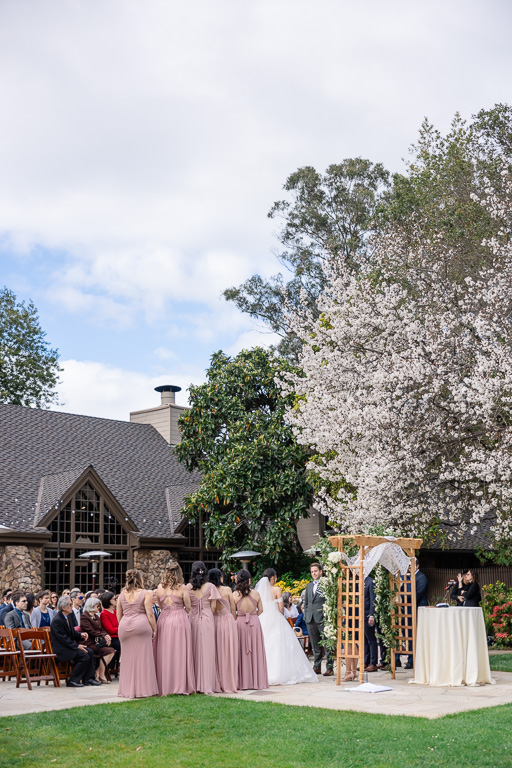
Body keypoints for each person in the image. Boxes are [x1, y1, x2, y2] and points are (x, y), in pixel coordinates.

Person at [255, 573, 317, 686]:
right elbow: (281, 607)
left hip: (264, 619)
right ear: (273, 577)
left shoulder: (260, 591)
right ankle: (281, 672)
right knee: (279, 644)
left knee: (266, 644)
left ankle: (263, 672)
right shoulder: (277, 589)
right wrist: (281, 615)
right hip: (275, 618)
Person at [154, 560, 195, 695]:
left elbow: (159, 604)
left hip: (164, 619)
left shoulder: (160, 587)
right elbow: (188, 606)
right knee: (180, 652)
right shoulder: (182, 588)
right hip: (179, 619)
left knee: (164, 652)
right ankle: (179, 684)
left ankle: (165, 685)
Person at [117, 569, 159, 699]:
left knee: (127, 659)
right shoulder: (146, 593)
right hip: (141, 625)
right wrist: (155, 628)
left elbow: (119, 614)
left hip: (124, 625)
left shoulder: (121, 595)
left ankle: (127, 690)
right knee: (143, 659)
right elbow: (150, 613)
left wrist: (123, 624)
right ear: (140, 579)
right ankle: (144, 689)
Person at [50, 596, 100, 687]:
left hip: (68, 646)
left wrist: (80, 635)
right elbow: (63, 639)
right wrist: (77, 646)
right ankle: (73, 680)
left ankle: (88, 679)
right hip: (61, 649)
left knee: (90, 652)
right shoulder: (57, 620)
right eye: (69, 605)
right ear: (63, 607)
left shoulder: (67, 617)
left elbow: (71, 633)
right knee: (84, 655)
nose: (71, 606)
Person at [187, 561, 220, 695]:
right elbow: (213, 607)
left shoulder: (188, 587)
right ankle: (207, 684)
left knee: (194, 649)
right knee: (207, 650)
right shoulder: (211, 586)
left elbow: (187, 605)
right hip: (207, 618)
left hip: (193, 618)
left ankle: (194, 683)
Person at [233, 569, 268, 690]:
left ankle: (243, 682)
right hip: (254, 622)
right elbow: (261, 610)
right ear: (249, 579)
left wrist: (242, 617)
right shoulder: (256, 593)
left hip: (240, 623)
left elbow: (233, 613)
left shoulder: (235, 594)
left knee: (241, 652)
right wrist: (252, 616)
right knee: (256, 651)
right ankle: (257, 681)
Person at [208, 568, 238, 694]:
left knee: (216, 652)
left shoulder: (208, 590)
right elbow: (232, 607)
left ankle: (217, 681)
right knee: (228, 651)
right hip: (227, 621)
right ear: (220, 577)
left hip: (214, 620)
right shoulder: (227, 589)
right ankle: (230, 681)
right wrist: (234, 621)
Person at [396, 561, 428, 669]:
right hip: (407, 609)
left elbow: (417, 594)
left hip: (418, 609)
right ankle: (407, 658)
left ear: (417, 566)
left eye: (412, 565)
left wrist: (403, 596)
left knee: (414, 634)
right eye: (408, 565)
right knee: (408, 634)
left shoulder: (421, 577)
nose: (409, 567)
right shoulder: (407, 577)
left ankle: (413, 659)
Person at [303, 563, 333, 676]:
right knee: (315, 644)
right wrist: (306, 615)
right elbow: (306, 603)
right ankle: (317, 666)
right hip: (310, 618)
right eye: (312, 572)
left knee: (327, 643)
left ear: (321, 571)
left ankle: (329, 667)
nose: (314, 573)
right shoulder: (309, 586)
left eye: (315, 571)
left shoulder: (326, 584)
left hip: (322, 618)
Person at [80, 597, 116, 683]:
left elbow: (102, 629)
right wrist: (103, 636)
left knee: (112, 651)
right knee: (109, 651)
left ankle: (98, 672)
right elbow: (91, 631)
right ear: (91, 606)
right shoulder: (84, 617)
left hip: (97, 642)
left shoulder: (96, 616)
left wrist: (106, 635)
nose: (99, 607)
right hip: (89, 643)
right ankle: (101, 674)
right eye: (97, 606)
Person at [99, 592, 121, 662]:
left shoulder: (115, 611)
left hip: (119, 635)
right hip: (112, 638)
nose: (116, 600)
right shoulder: (104, 613)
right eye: (114, 599)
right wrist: (121, 629)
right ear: (109, 601)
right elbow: (110, 630)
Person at [364, 575, 378, 672]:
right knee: (364, 639)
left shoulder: (370, 581)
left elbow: (373, 600)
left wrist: (372, 615)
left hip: (367, 613)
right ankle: (366, 661)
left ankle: (373, 663)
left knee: (371, 639)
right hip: (359, 614)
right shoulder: (358, 580)